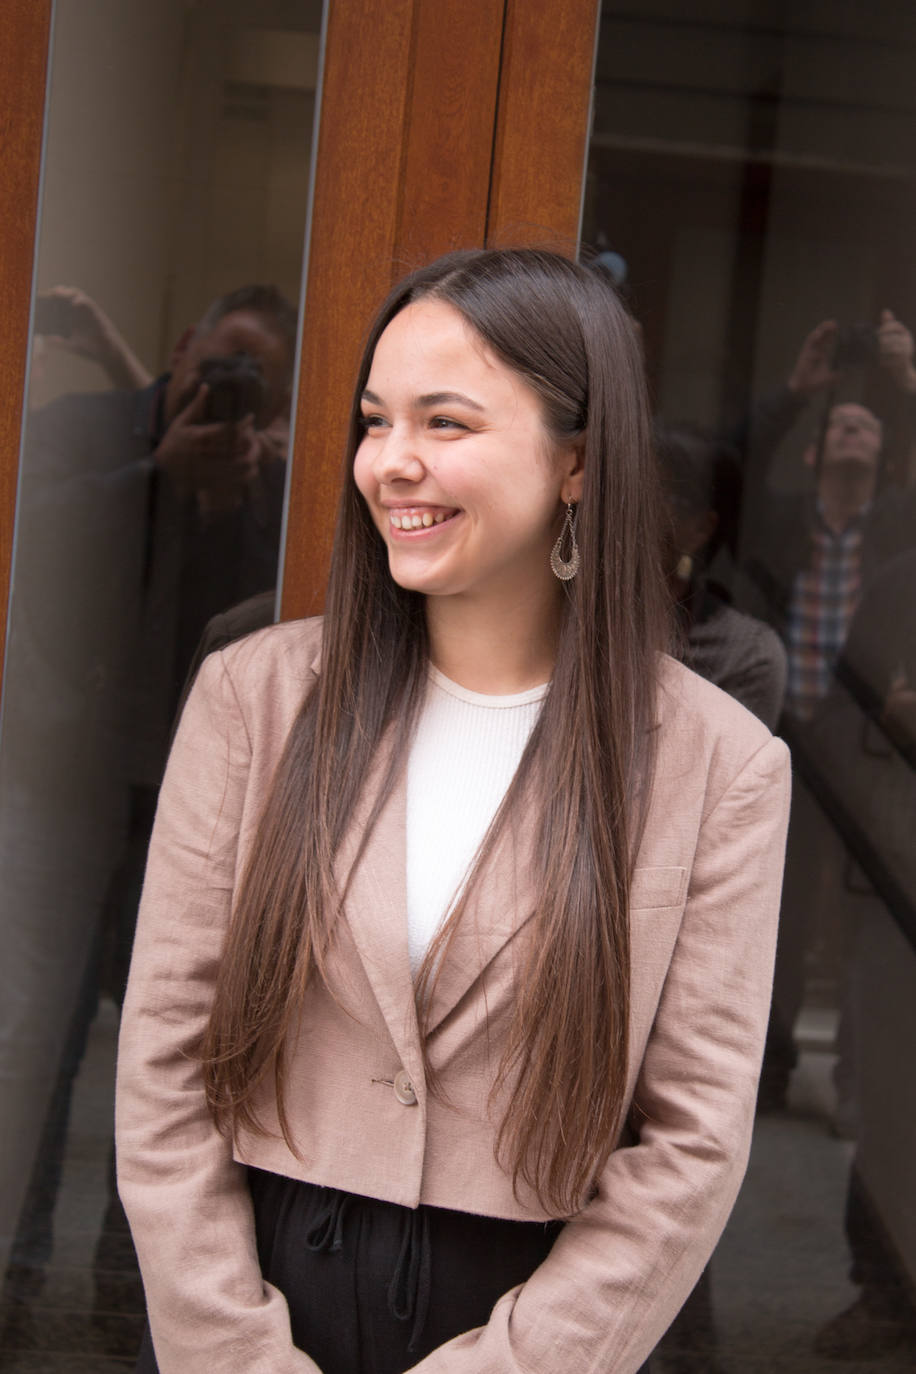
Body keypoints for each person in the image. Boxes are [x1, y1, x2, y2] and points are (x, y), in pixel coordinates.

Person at [115, 248, 791, 1374]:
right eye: (376, 422)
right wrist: (232, 1352)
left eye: (446, 423)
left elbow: (691, 1143)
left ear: (577, 462)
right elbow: (163, 1065)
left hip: (530, 1315)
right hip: (260, 1288)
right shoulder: (255, 697)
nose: (392, 463)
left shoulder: (718, 765)